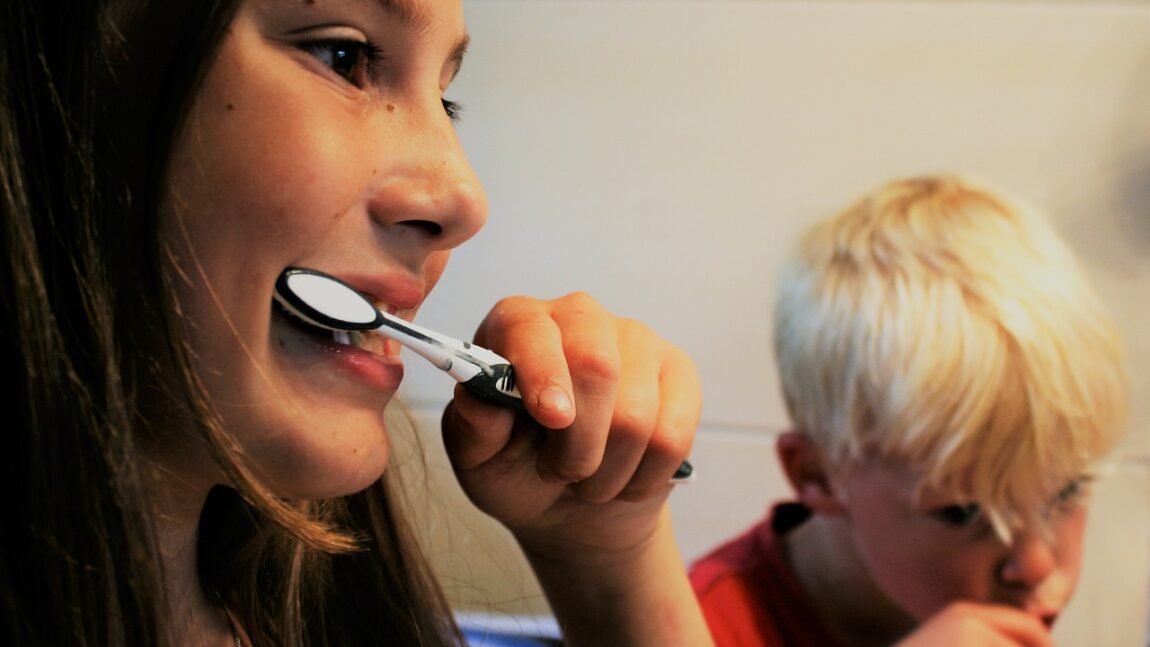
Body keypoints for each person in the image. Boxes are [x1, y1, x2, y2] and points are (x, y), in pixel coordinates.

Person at [0, 1, 712, 645]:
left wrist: (607, 556)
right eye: (344, 56)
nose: (464, 199)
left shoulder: (336, 608)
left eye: (445, 96)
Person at [689, 176, 1128, 647]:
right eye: (965, 512)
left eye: (1067, 492)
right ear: (815, 473)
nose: (1037, 565)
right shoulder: (695, 629)